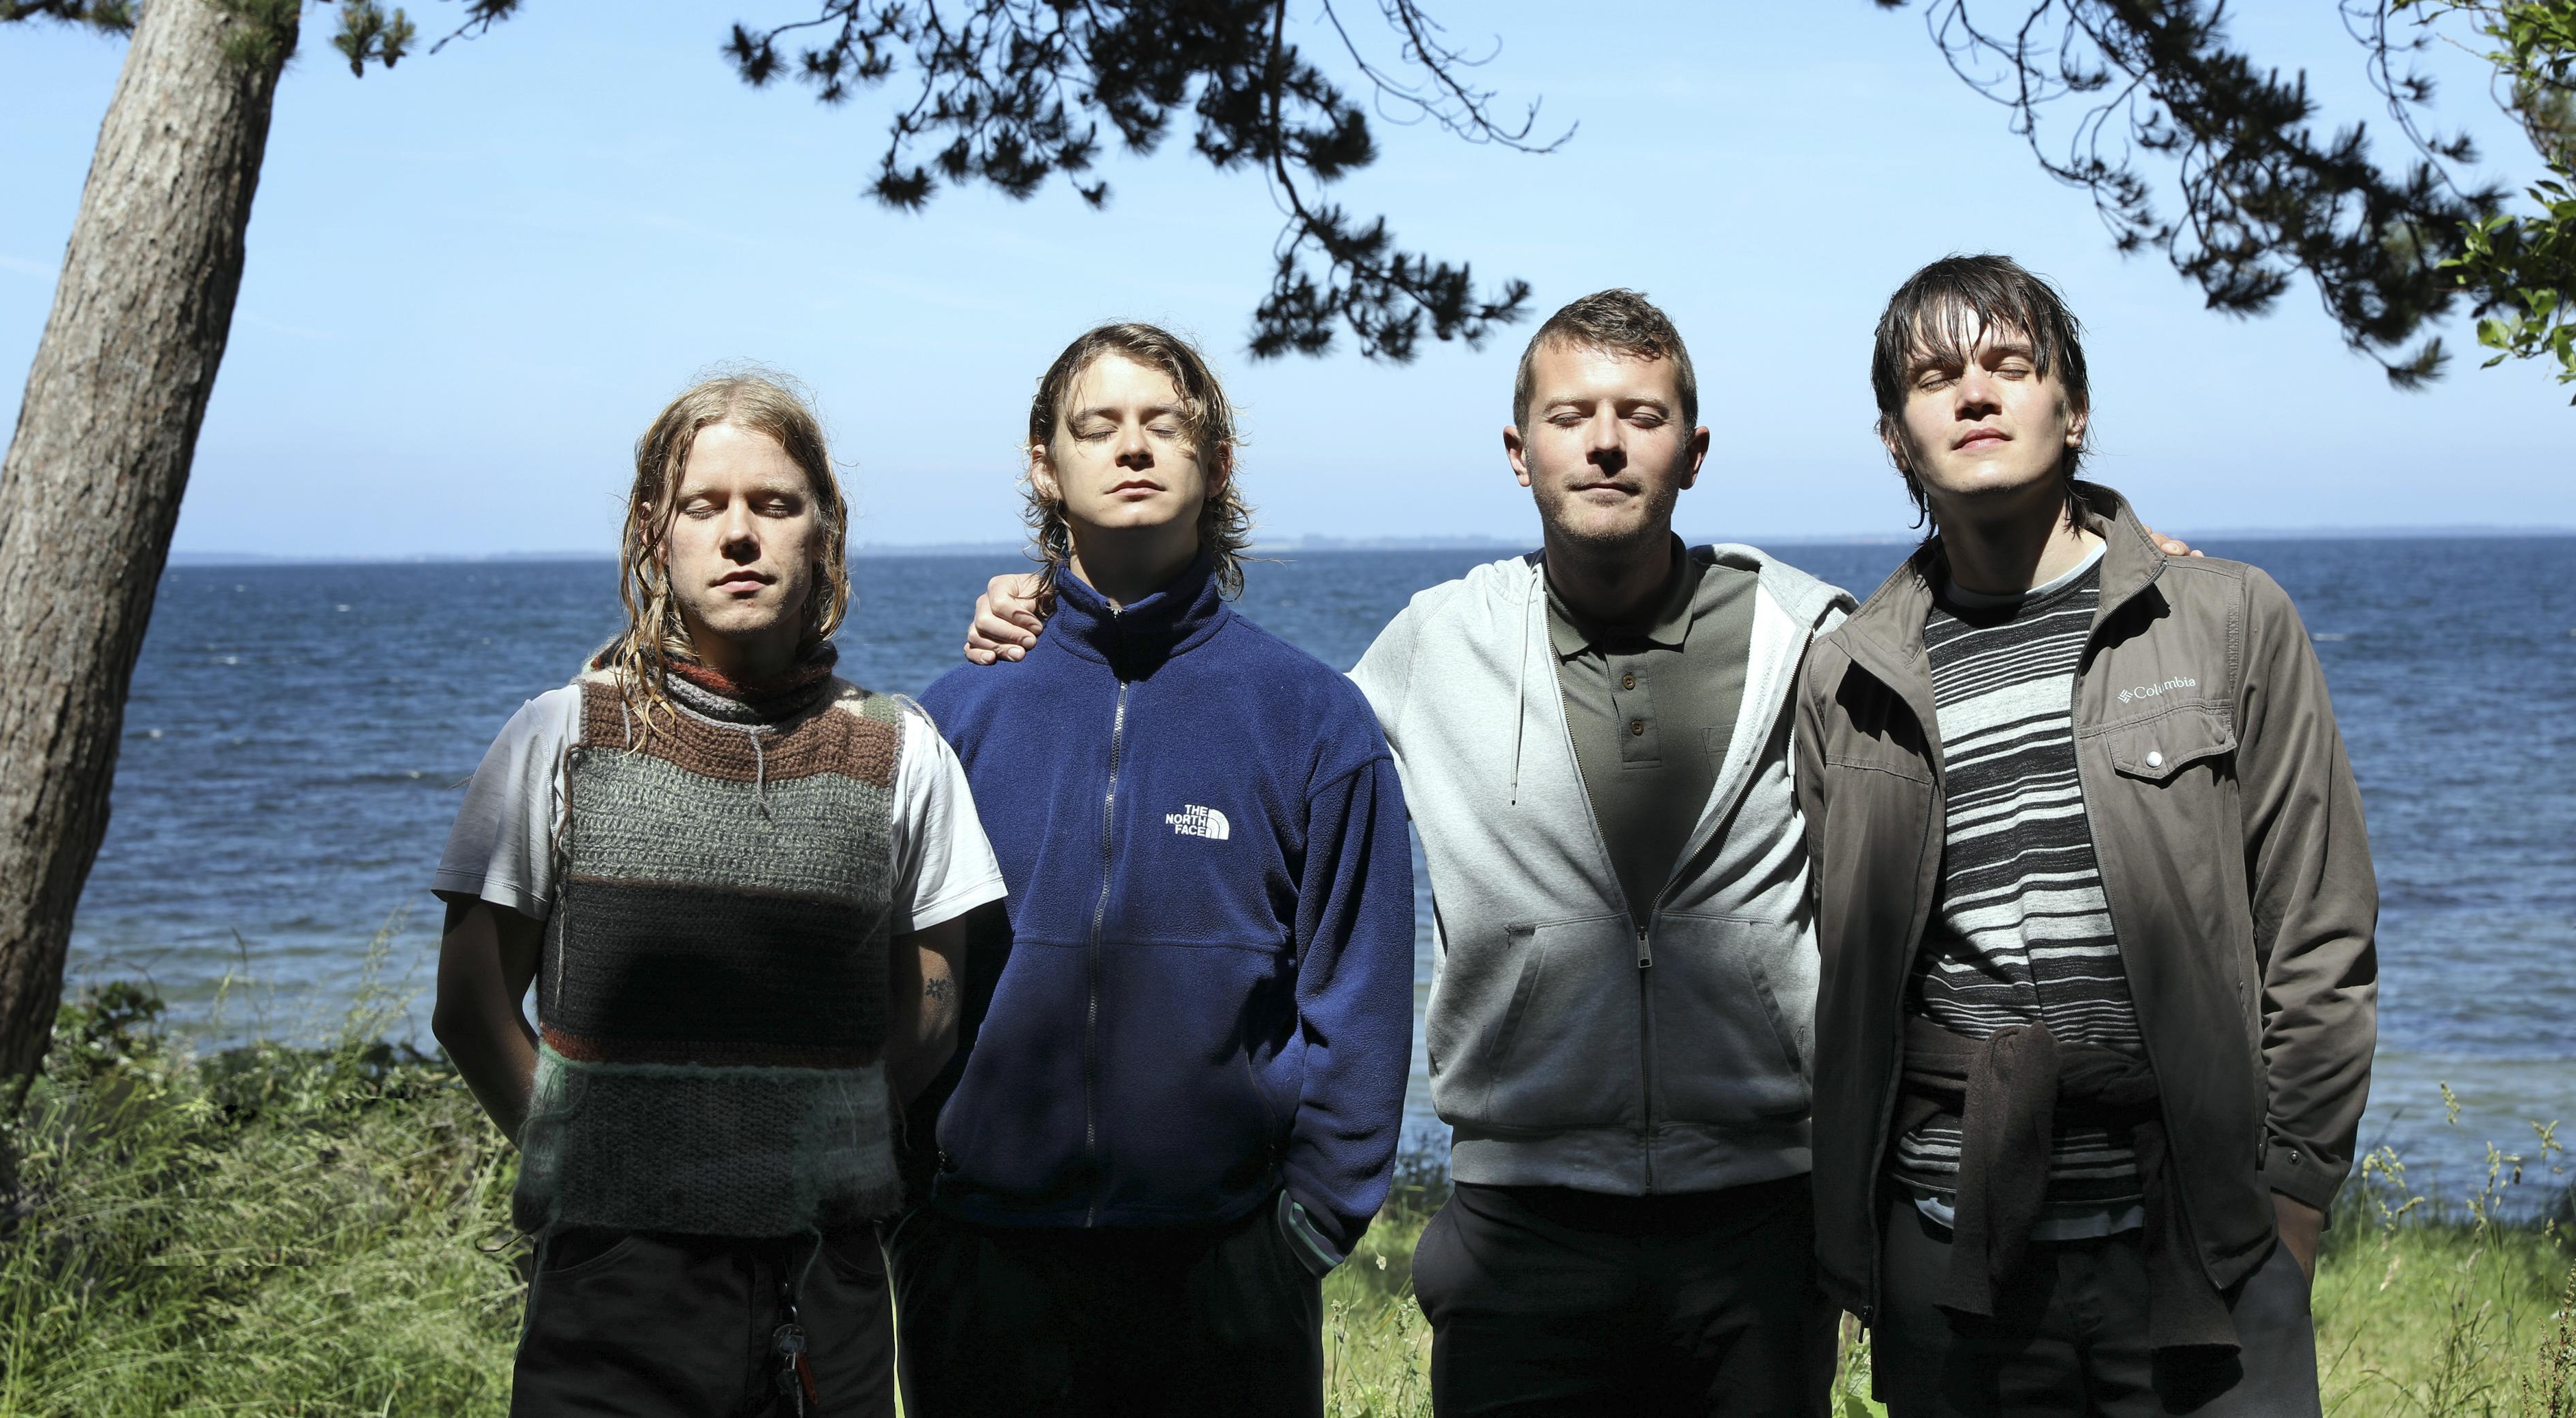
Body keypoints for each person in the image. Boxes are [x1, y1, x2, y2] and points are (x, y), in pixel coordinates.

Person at [965, 290, 1861, 1416]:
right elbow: (1211, 733)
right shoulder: (1441, 638)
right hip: (1520, 1221)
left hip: (1761, 1219)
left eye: (1642, 415)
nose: (1604, 442)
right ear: (1518, 453)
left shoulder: (1809, 635)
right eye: (1571, 415)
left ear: (1695, 449)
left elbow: (1907, 825)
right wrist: (1051, 621)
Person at [1792, 255, 2378, 1417]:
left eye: (2011, 365)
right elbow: (1844, 967)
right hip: (1950, 1255)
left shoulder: (2227, 619)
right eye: (1935, 379)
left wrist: (2291, 1201)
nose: (1976, 393)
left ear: (2074, 409)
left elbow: (2319, 928)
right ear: (1896, 439)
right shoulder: (1848, 677)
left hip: (2201, 1244)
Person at [429, 369, 1004, 1418]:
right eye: (705, 506)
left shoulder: (901, 748)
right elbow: (469, 1003)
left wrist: (818, 1152)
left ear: (824, 533)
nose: (740, 534)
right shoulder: (563, 733)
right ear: (657, 534)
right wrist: (586, 1162)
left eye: (775, 504)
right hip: (613, 1294)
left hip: (824, 1289)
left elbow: (932, 1004)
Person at [893, 322, 1416, 1418]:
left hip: (1224, 1279)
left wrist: (1302, 1233)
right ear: (1045, 466)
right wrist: (914, 1224)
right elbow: (900, 987)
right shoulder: (954, 720)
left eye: (1162, 425)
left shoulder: (1314, 720)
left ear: (1215, 464)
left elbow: (1360, 1001)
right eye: (1098, 426)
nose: (1131, 447)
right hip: (984, 1270)